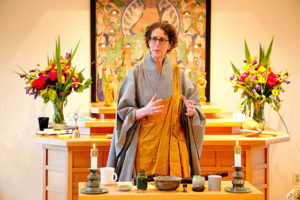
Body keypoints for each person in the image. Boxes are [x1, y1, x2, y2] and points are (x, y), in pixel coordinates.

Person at [107, 22, 206, 181]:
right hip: (144, 146)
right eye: (153, 39)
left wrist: (191, 111)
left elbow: (195, 106)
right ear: (148, 42)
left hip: (173, 147)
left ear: (170, 44)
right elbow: (122, 112)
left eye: (162, 40)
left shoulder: (179, 75)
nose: (157, 44)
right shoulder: (136, 73)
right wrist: (142, 111)